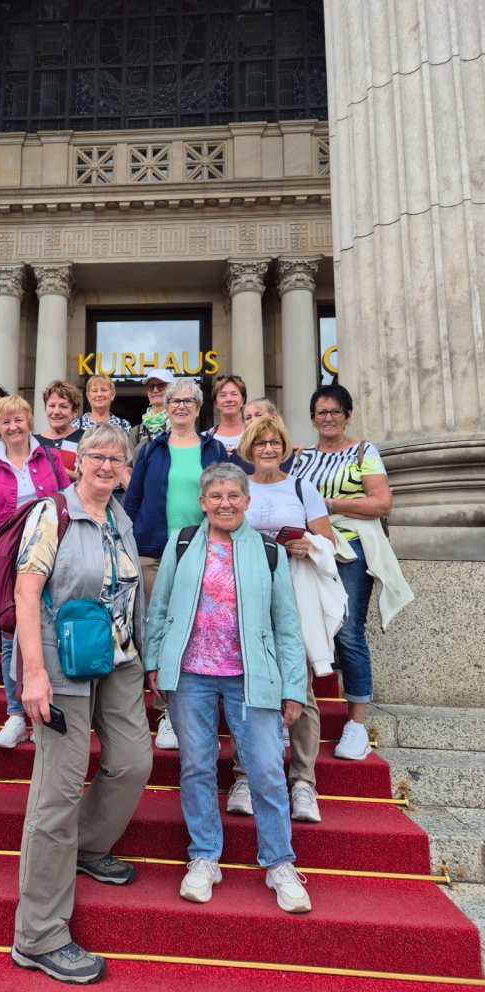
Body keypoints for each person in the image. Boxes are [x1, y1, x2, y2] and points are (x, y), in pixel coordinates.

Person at [10, 424, 152, 985]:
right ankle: (38, 935)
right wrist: (34, 674)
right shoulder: (54, 514)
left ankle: (88, 846)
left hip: (118, 659)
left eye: (117, 458)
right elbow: (26, 591)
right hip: (62, 662)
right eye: (97, 455)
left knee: (133, 761)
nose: (106, 464)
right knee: (58, 792)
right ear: (78, 461)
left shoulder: (121, 517)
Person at [144, 463, 311, 912]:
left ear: (247, 501)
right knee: (197, 766)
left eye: (233, 495)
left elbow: (287, 624)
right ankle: (204, 856)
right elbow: (160, 607)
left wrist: (293, 687)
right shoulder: (182, 543)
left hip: (251, 676)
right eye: (216, 496)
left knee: (266, 769)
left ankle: (279, 862)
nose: (225, 503)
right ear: (202, 502)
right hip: (191, 674)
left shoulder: (269, 551)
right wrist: (154, 660)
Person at [291, 383, 412, 761]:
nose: (328, 418)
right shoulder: (301, 456)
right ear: (313, 418)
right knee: (299, 628)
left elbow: (382, 503)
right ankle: (293, 714)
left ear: (347, 415)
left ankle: (357, 723)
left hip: (352, 548)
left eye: (335, 411)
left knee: (348, 629)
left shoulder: (363, 452)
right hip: (309, 548)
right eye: (321, 412)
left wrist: (327, 503)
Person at [226, 417, 337, 824]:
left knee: (299, 684)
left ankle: (303, 781)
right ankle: (244, 775)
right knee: (246, 684)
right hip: (247, 592)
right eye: (261, 444)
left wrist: (310, 544)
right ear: (249, 449)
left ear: (284, 446)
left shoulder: (302, 487)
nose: (268, 449)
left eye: (274, 443)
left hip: (294, 591)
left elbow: (329, 540)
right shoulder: (238, 487)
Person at [125, 378, 228, 750]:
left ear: (199, 408)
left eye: (188, 401)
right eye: (174, 401)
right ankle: (166, 711)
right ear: (165, 408)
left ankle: (196, 710)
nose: (181, 406)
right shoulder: (151, 450)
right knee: (159, 631)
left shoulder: (214, 449)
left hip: (201, 552)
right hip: (153, 550)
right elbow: (132, 501)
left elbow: (226, 498)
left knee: (197, 631)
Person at [0, 395, 71, 748]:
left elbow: (67, 501)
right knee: (9, 631)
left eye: (18, 420)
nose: (13, 427)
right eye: (6, 422)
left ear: (29, 421)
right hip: (7, 559)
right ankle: (16, 714)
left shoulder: (49, 457)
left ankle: (50, 708)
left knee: (51, 626)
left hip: (51, 552)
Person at [36, 380, 84, 480]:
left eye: (63, 406)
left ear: (74, 412)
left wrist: (61, 471)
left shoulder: (86, 439)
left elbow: (94, 478)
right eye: (52, 406)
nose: (56, 411)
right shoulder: (33, 442)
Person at [129, 368, 174, 456]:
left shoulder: (181, 426)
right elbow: (128, 462)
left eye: (161, 385)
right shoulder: (136, 432)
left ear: (172, 389)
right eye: (151, 387)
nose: (155, 390)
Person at [205, 374, 247, 451]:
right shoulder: (205, 439)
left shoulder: (255, 434)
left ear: (243, 400)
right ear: (216, 403)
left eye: (234, 394)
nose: (229, 399)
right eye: (223, 395)